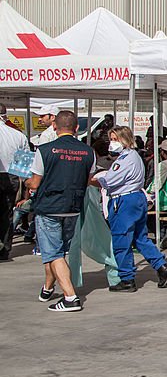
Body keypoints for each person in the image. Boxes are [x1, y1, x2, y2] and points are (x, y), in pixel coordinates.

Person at [26, 111, 95, 311]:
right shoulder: (87, 151)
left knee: (53, 253)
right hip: (73, 207)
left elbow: (35, 182)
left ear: (54, 127)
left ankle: (70, 297)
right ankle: (47, 288)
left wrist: (26, 181)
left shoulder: (44, 150)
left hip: (49, 206)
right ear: (76, 128)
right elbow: (89, 179)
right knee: (57, 252)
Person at [94, 126, 167, 292]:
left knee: (121, 240)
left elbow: (109, 181)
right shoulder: (134, 157)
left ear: (124, 139)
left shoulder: (125, 159)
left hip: (124, 201)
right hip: (136, 198)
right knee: (140, 238)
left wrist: (90, 180)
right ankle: (162, 267)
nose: (112, 143)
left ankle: (127, 279)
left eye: (115, 139)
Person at [0, 102, 28, 260]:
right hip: (12, 176)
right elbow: (23, 167)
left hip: (7, 174)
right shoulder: (18, 135)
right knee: (7, 214)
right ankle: (5, 249)